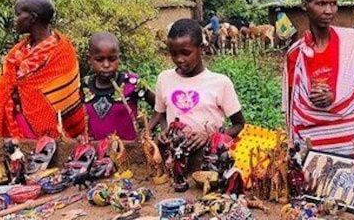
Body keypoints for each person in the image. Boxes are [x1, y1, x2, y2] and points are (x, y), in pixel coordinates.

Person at [283, 0, 354, 155]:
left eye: (333, 4)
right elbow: (293, 105)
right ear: (304, 6)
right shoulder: (296, 53)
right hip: (316, 144)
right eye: (321, 4)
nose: (329, 10)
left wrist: (335, 98)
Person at [0, 0, 85, 139]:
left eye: (18, 15)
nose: (15, 20)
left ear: (32, 18)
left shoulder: (62, 51)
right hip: (18, 124)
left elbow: (64, 94)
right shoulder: (18, 51)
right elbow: (3, 85)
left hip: (54, 131)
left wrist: (24, 93)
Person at [150, 19, 245, 152]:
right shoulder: (164, 78)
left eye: (186, 53)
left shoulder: (220, 83)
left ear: (202, 48)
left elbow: (239, 124)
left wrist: (210, 136)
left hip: (209, 159)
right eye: (173, 54)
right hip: (175, 157)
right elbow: (160, 113)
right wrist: (166, 131)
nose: (179, 59)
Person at [82, 32, 155, 141]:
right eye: (99, 59)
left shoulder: (131, 83)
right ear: (89, 59)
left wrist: (148, 130)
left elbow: (160, 106)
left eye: (112, 59)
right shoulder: (84, 86)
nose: (106, 65)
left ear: (119, 58)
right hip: (93, 154)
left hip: (128, 154)